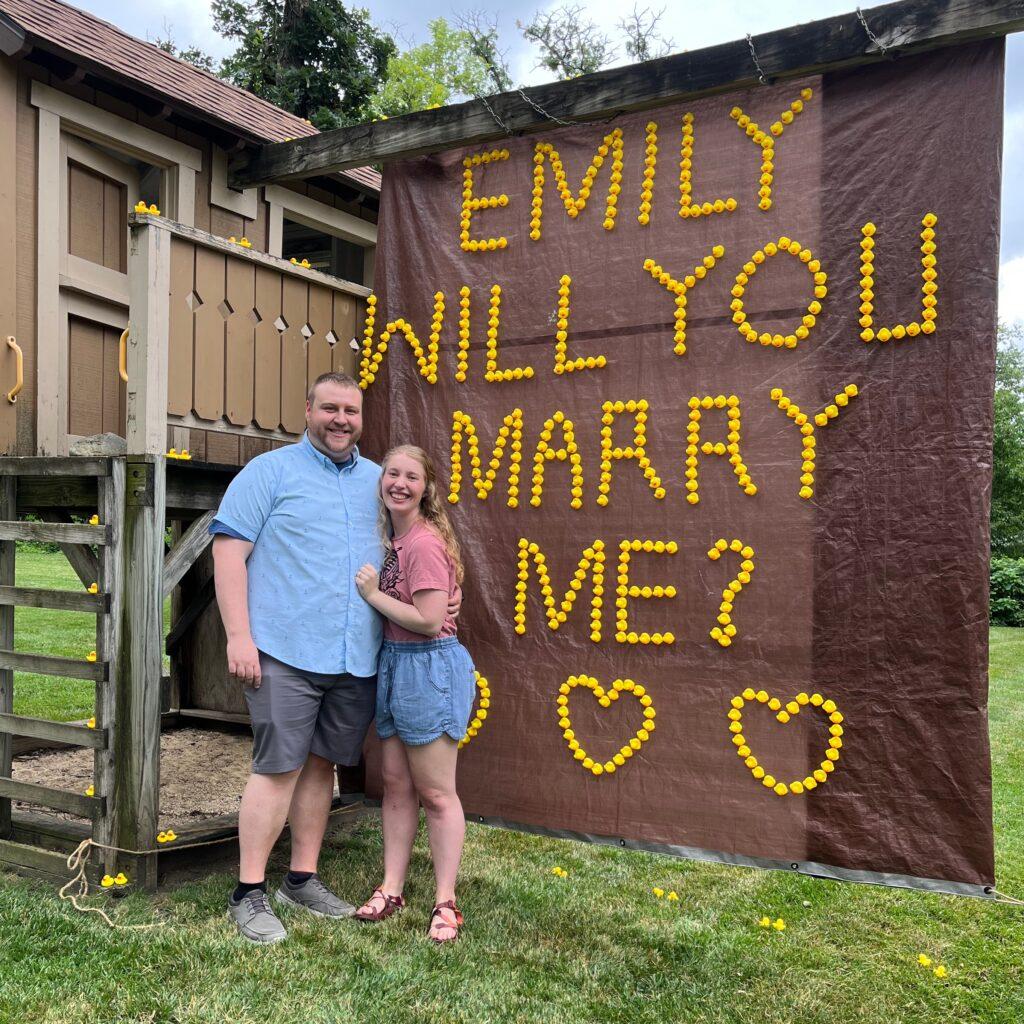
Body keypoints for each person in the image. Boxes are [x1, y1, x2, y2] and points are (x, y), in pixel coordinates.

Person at [212, 372, 386, 944]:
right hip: (283, 650)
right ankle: (249, 892)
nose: (341, 420)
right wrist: (239, 635)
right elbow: (229, 553)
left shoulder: (379, 483)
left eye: (351, 411)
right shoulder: (269, 472)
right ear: (306, 409)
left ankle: (302, 879)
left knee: (322, 767)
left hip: (354, 654)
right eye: (330, 408)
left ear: (362, 418)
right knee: (278, 766)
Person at [353, 445, 476, 943]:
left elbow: (428, 621)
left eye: (411, 476)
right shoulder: (396, 541)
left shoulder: (422, 544)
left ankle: (445, 903)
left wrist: (372, 596)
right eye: (391, 474)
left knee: (437, 793)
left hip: (428, 669)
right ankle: (392, 887)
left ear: (427, 489)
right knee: (397, 785)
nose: (399, 483)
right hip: (396, 666)